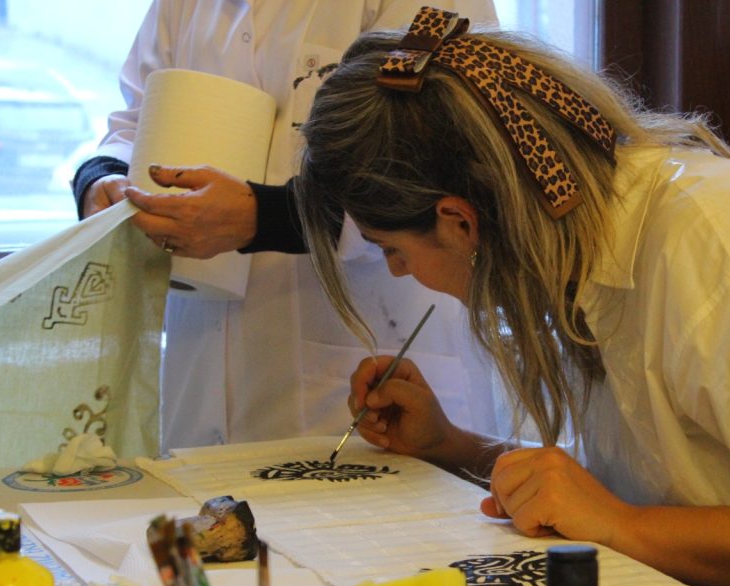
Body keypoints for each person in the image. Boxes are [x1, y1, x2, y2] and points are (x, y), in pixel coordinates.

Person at [294, 7, 730, 586]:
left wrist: (622, 525)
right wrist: (452, 445)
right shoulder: (583, 249)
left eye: (392, 250)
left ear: (459, 222)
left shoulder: (724, 257)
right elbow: (649, 488)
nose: (400, 272)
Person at [72, 0, 503, 449]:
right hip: (199, 365)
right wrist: (103, 179)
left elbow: (437, 163)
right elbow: (137, 120)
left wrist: (263, 216)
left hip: (368, 361)